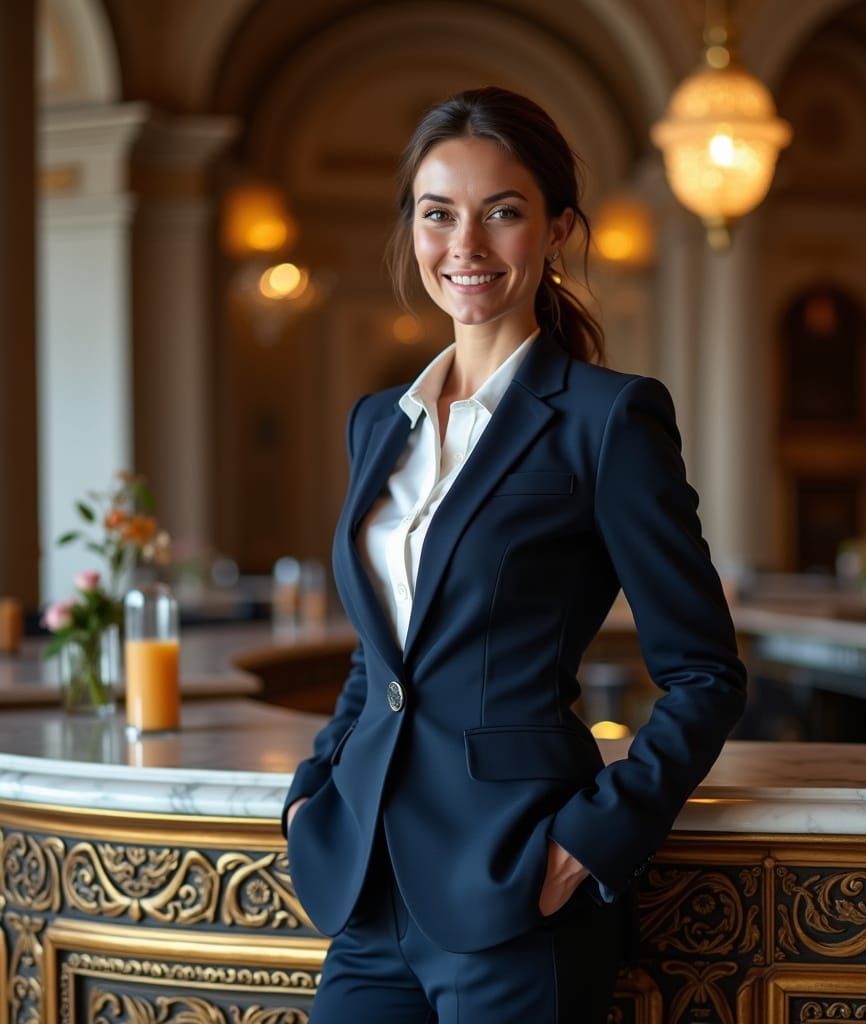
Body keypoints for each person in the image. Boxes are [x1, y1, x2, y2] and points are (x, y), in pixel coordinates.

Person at [281, 85, 746, 1024]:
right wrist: (314, 787)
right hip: (366, 892)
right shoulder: (379, 422)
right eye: (438, 212)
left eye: (502, 212)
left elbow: (705, 674)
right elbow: (386, 659)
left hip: (514, 887)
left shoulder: (608, 419)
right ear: (413, 228)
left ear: (557, 229)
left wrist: (593, 838)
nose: (466, 245)